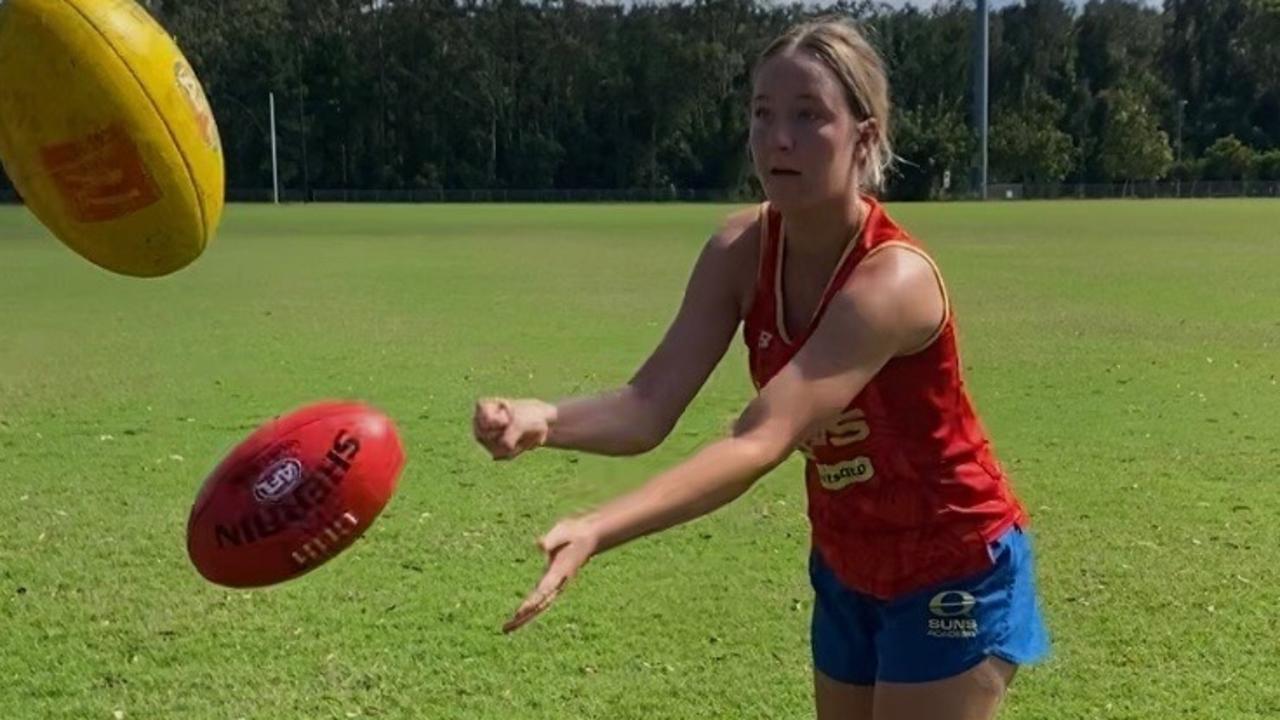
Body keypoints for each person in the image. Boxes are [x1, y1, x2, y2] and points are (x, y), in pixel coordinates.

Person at [473, 17, 1049, 720]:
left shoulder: (890, 281)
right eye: (763, 115)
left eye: (809, 117)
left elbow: (758, 440)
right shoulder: (740, 250)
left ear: (863, 138)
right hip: (847, 560)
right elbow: (648, 403)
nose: (779, 139)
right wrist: (545, 420)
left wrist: (600, 526)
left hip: (952, 559)